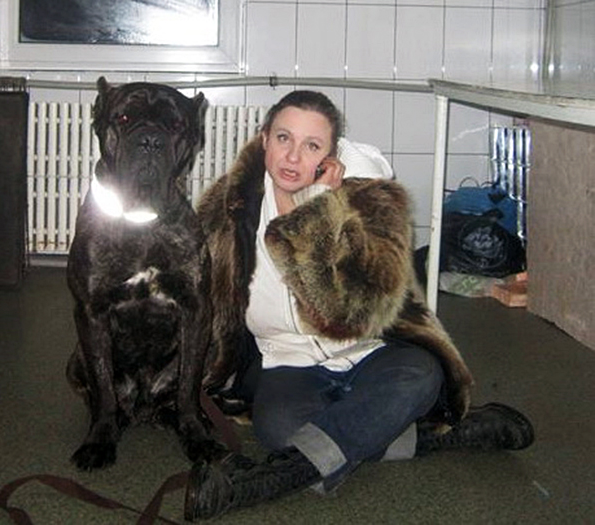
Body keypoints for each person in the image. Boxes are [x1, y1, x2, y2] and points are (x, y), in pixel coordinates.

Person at [183, 90, 534, 521]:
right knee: (279, 428)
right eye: (283, 138)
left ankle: (277, 476)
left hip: (368, 350)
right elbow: (196, 292)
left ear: (332, 156)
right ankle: (433, 438)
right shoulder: (230, 211)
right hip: (287, 360)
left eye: (312, 145)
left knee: (420, 375)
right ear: (263, 139)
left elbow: (345, 314)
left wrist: (318, 214)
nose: (292, 157)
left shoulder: (364, 203)